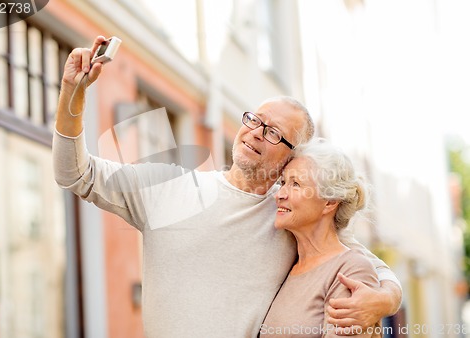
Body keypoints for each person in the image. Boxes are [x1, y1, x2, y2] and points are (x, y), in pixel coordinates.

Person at [53, 36, 401, 338]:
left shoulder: (289, 214)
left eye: (274, 133)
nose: (255, 133)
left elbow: (362, 263)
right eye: (254, 120)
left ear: (292, 158)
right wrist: (72, 93)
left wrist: (386, 298)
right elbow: (74, 172)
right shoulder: (168, 188)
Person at [260, 139, 382, 338]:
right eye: (283, 183)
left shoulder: (351, 270)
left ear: (330, 203)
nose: (279, 194)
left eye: (296, 184)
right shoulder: (287, 265)